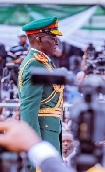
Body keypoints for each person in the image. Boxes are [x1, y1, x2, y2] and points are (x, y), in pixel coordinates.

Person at [18, 16, 64, 159]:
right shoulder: (35, 64)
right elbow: (28, 109)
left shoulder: (44, 62)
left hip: (49, 131)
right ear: (38, 39)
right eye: (52, 37)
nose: (56, 41)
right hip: (43, 135)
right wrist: (34, 148)